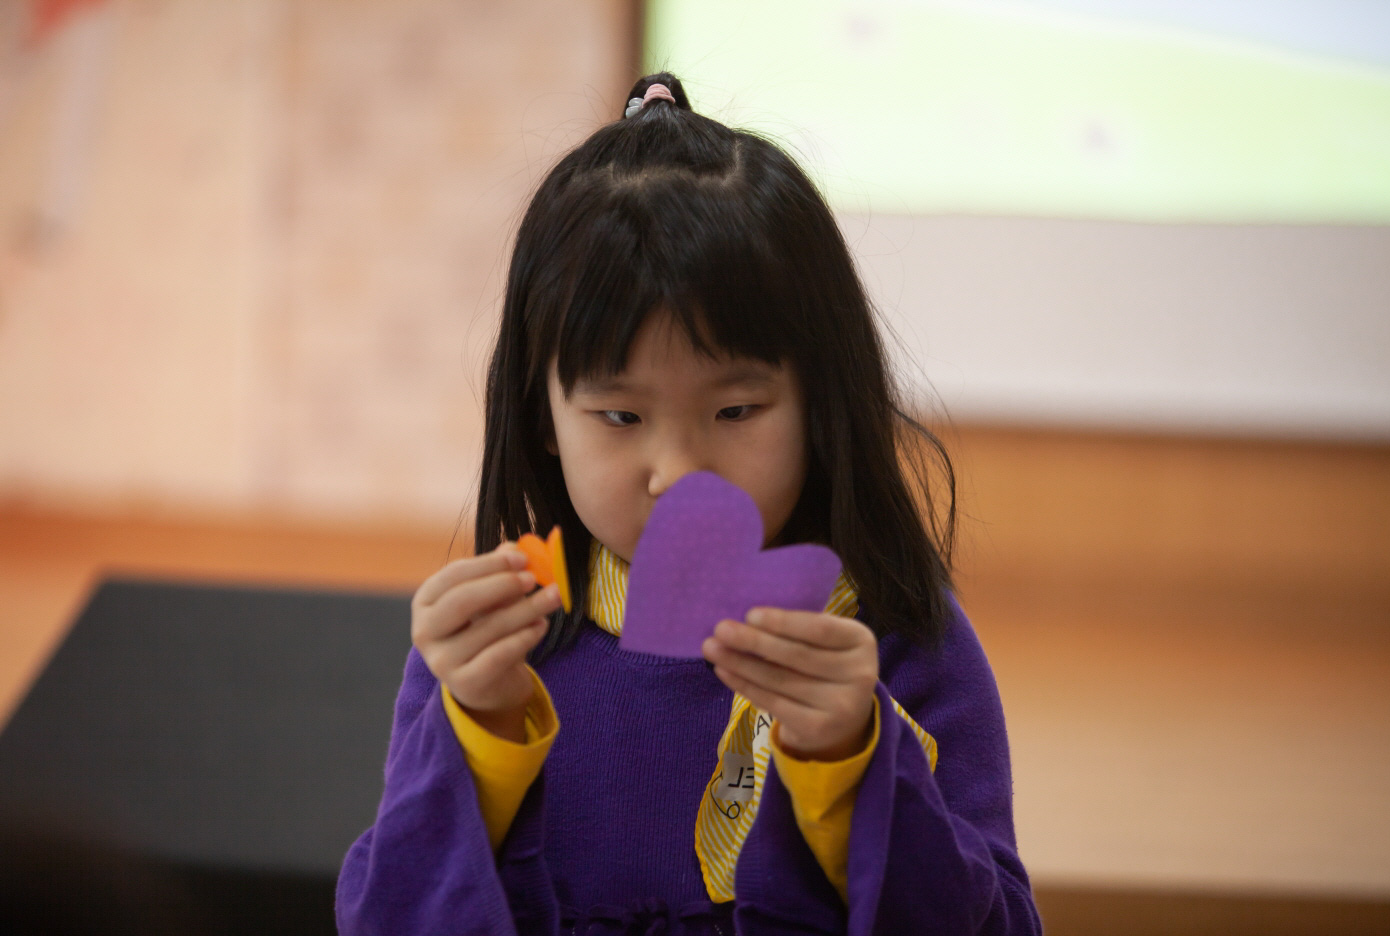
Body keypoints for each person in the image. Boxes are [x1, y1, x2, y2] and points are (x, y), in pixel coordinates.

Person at [336, 73, 1041, 935]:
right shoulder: (496, 650)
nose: (678, 474)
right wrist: (477, 733)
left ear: (821, 401)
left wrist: (852, 759)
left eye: (735, 411)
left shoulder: (899, 640)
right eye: (620, 417)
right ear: (542, 417)